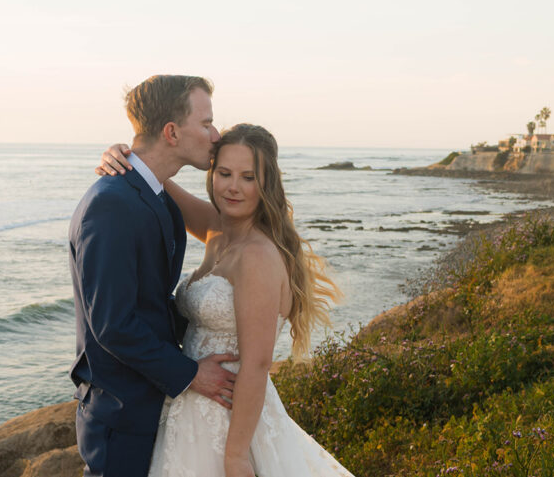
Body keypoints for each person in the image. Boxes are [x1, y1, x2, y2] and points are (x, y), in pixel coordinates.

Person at [98, 122, 356, 477]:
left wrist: (235, 457)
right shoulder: (219, 229)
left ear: (267, 184)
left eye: (248, 177)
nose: (233, 187)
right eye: (225, 173)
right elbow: (158, 180)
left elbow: (257, 363)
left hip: (230, 420)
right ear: (212, 173)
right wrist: (125, 156)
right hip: (191, 406)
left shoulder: (257, 256)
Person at [69, 75, 240, 477]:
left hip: (154, 404)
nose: (215, 135)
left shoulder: (154, 196)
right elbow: (113, 325)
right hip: (121, 414)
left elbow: (151, 303)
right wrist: (192, 373)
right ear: (171, 132)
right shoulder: (111, 204)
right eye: (206, 123)